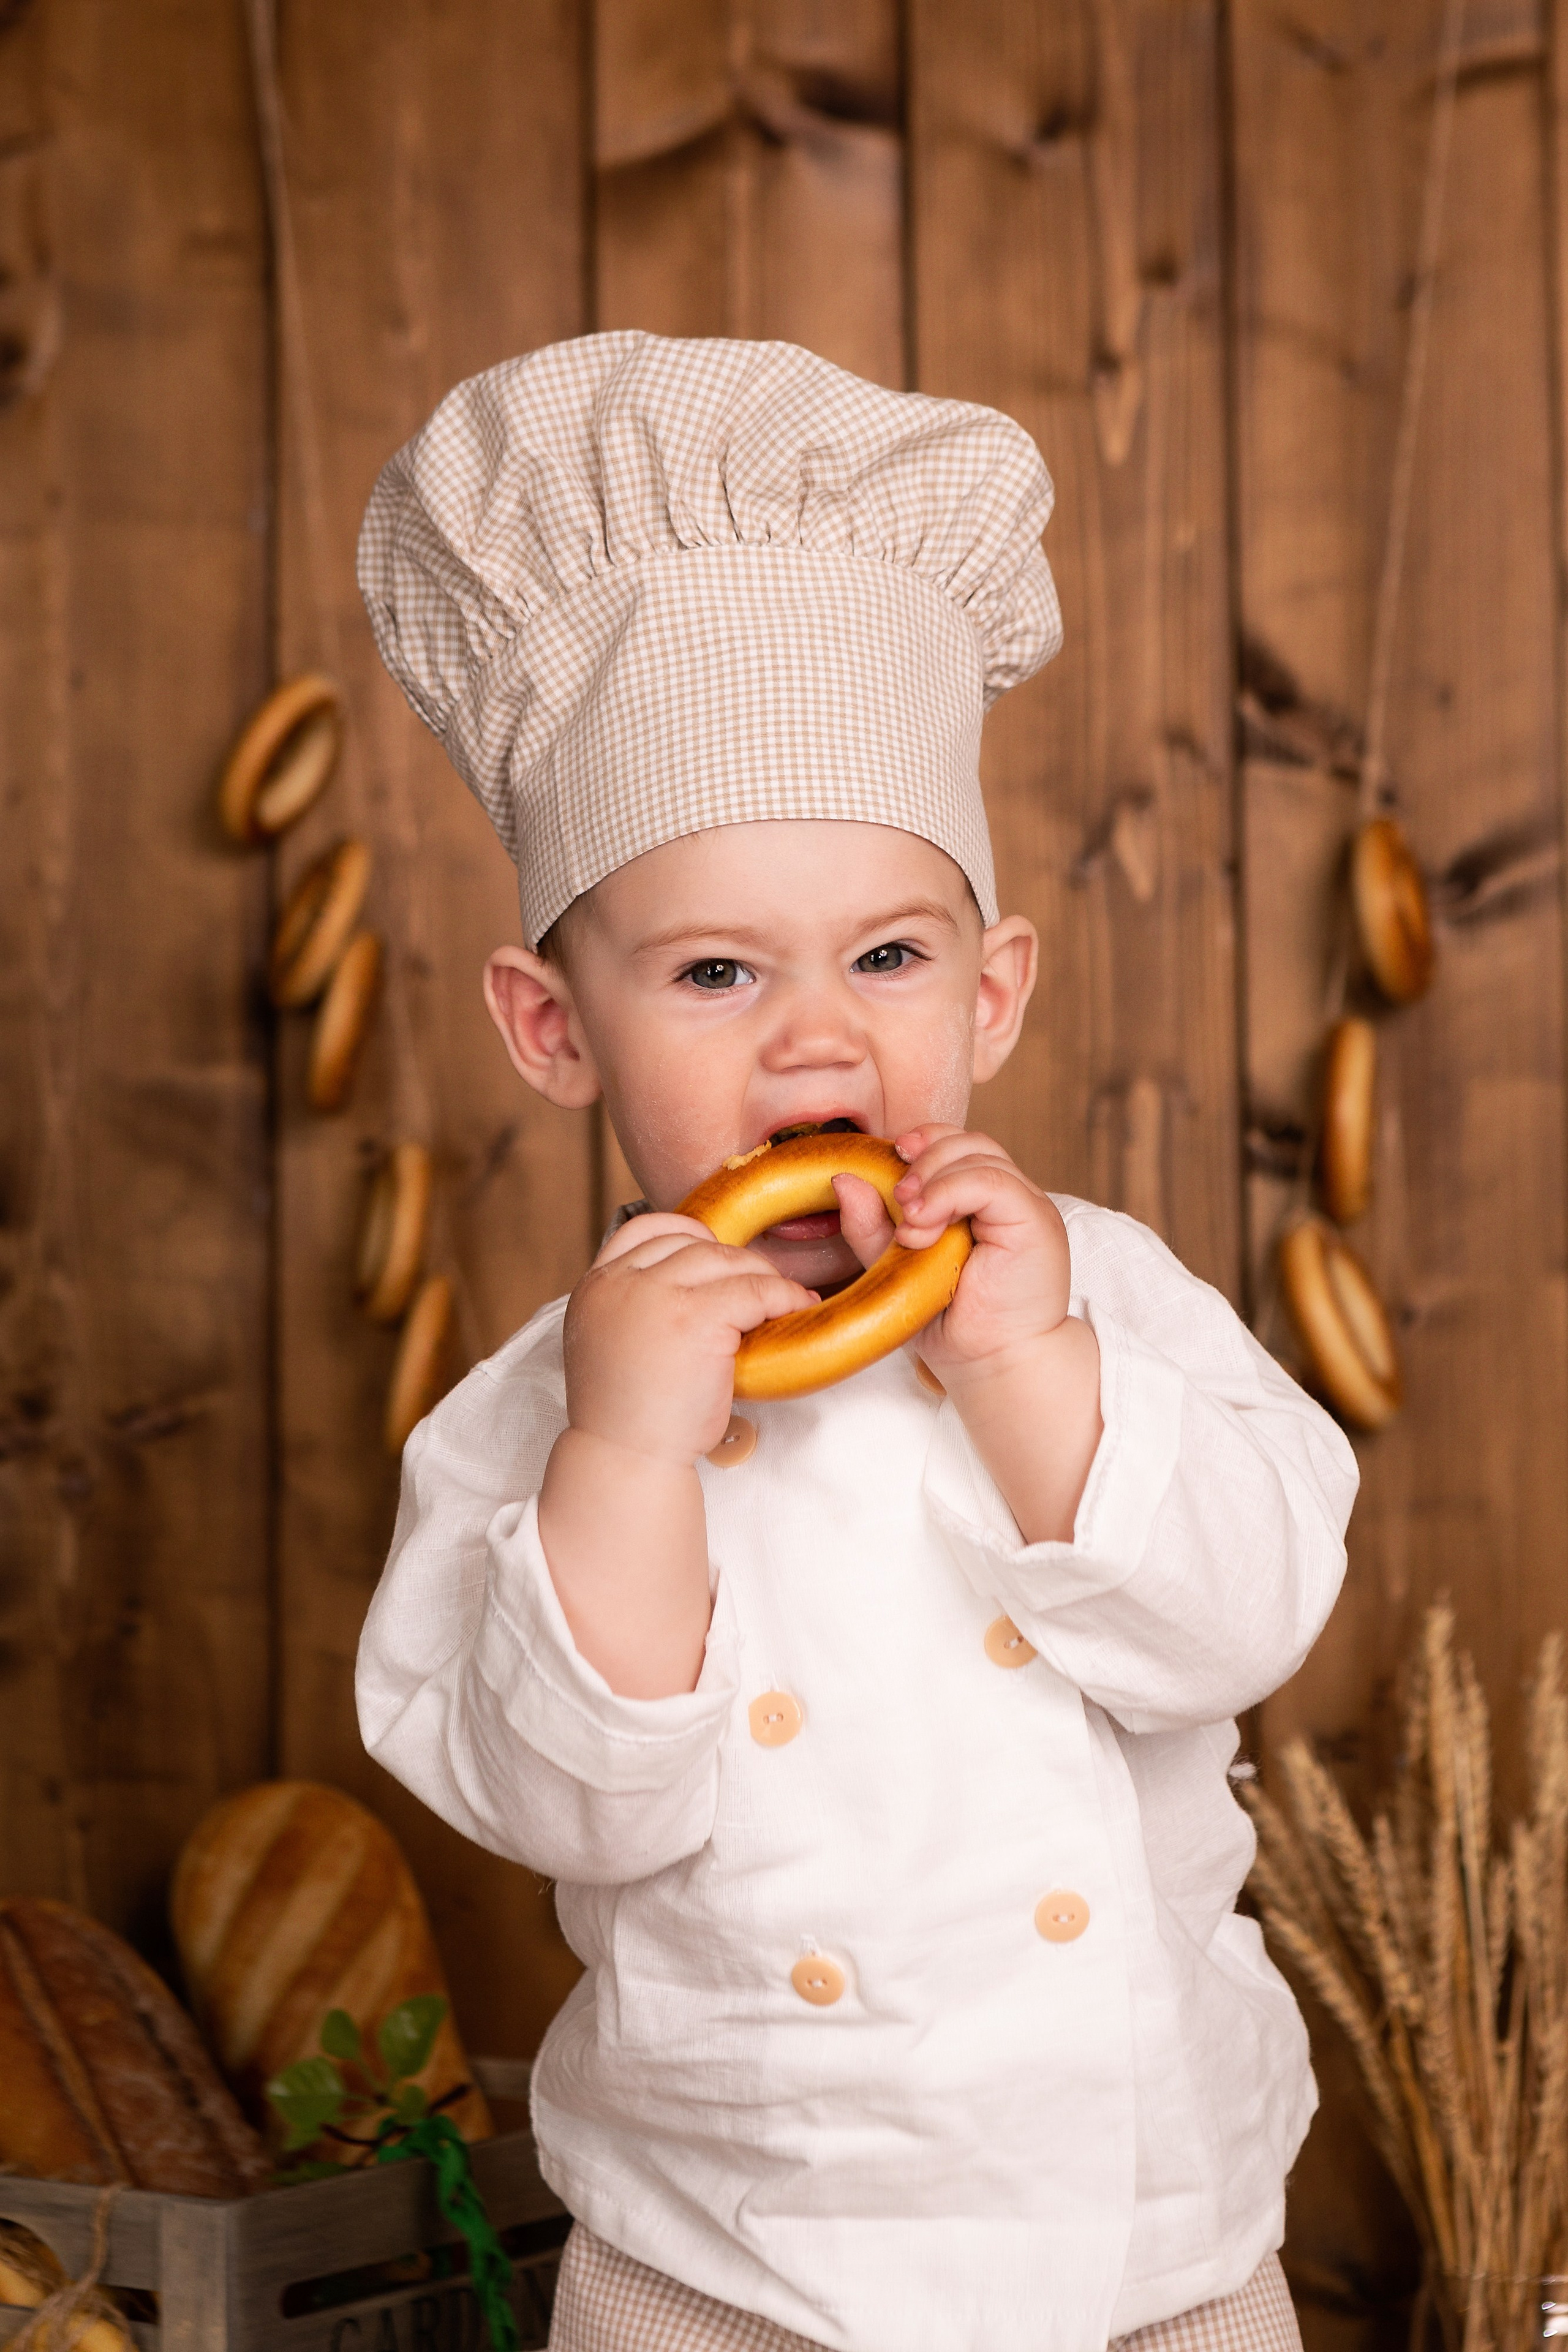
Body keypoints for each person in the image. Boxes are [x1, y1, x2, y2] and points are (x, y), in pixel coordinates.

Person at [354, 331, 1357, 2352]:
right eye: (717, 970)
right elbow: (576, 1809)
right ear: (557, 1033)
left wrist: (1025, 1366)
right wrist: (626, 1460)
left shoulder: (1104, 1291)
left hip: (1147, 2253)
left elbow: (1238, 1628)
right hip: (729, 2264)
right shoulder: (537, 1416)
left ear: (989, 996)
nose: (818, 1037)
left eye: (887, 958)